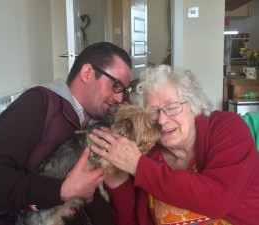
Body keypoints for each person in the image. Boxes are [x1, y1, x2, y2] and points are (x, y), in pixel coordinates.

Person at [0, 42, 132, 225]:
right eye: (115, 85)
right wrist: (61, 190)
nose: (120, 98)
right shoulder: (37, 104)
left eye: (124, 91)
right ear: (86, 73)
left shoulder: (98, 127)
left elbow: (94, 200)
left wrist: (89, 194)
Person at [89, 65, 259, 225]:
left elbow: (217, 201)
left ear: (194, 106)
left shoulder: (227, 128)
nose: (162, 120)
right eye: (153, 112)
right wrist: (119, 183)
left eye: (172, 107)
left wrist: (139, 167)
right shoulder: (148, 150)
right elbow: (133, 220)